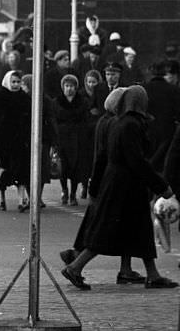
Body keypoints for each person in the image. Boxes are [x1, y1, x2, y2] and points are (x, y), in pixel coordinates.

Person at [61, 86, 178, 290]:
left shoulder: (117, 122)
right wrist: (162, 186)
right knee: (109, 232)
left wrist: (95, 185)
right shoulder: (132, 125)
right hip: (127, 186)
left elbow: (104, 157)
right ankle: (75, 267)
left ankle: (152, 273)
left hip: (117, 182)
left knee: (139, 231)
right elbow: (137, 161)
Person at [58, 87, 147, 285]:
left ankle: (123, 268)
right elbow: (104, 155)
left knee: (109, 226)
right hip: (113, 182)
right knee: (103, 229)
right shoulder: (114, 123)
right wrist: (95, 185)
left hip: (107, 181)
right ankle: (76, 262)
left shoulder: (107, 122)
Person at [0, 70, 32, 211]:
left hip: (21, 143)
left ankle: (21, 200)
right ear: (7, 82)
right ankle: (2, 199)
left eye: (18, 82)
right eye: (13, 82)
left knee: (22, 172)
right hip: (1, 143)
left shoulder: (25, 99)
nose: (16, 85)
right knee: (2, 173)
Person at [52, 74, 92, 206]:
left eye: (72, 86)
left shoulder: (83, 102)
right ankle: (64, 190)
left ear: (76, 87)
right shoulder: (57, 102)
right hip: (62, 139)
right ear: (63, 87)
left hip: (77, 139)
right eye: (67, 86)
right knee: (63, 168)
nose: (69, 89)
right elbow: (54, 120)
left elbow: (86, 121)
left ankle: (73, 194)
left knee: (75, 168)